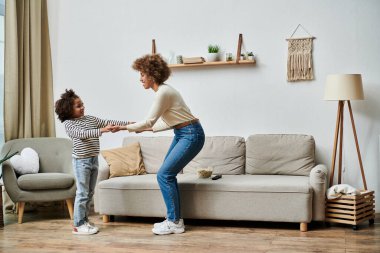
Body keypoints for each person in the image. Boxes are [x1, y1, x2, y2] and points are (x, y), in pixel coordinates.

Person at [120, 54, 205, 235]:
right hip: (184, 132)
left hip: (191, 134)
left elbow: (149, 121)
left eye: (142, 74)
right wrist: (141, 129)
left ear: (152, 74)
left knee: (164, 175)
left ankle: (174, 221)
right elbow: (167, 122)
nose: (140, 79)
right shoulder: (165, 92)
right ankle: (174, 220)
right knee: (167, 175)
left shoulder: (164, 92)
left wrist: (123, 127)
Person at [55, 89, 129, 235]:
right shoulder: (69, 124)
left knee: (89, 193)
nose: (82, 107)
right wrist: (102, 130)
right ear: (68, 110)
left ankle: (84, 220)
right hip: (81, 162)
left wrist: (130, 125)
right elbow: (82, 135)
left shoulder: (90, 119)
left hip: (93, 159)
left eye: (82, 104)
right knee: (82, 193)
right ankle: (78, 225)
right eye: (78, 106)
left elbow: (108, 123)